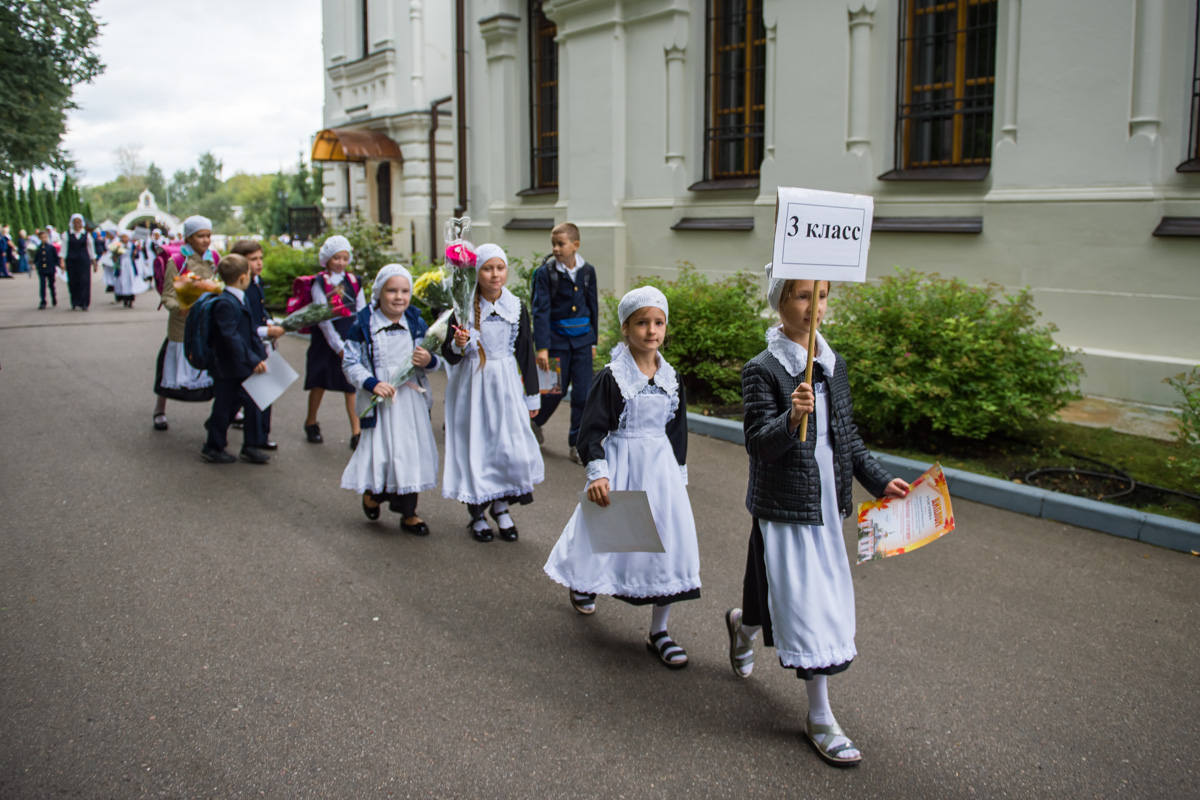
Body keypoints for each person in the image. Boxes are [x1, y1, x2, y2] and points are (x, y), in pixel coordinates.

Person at [725, 265, 910, 768]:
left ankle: (743, 625)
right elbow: (758, 446)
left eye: (822, 296)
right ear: (779, 302)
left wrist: (877, 479)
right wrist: (791, 418)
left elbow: (847, 439)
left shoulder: (833, 363)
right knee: (808, 607)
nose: (815, 307)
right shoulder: (763, 368)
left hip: (827, 501)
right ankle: (821, 717)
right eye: (803, 296)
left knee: (800, 599)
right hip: (784, 503)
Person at [543, 287, 699, 668]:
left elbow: (677, 430)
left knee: (666, 541)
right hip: (621, 466)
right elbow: (590, 430)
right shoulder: (612, 378)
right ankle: (583, 583)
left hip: (659, 470)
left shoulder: (671, 377)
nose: (651, 331)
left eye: (658, 322)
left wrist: (679, 475)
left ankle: (659, 630)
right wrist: (598, 471)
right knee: (605, 537)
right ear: (626, 329)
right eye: (642, 323)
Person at [441, 243, 544, 542]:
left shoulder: (516, 306)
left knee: (508, 446)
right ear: (476, 272)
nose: (494, 274)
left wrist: (532, 396)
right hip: (472, 385)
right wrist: (459, 344)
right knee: (478, 446)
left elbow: (526, 351)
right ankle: (477, 513)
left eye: (500, 268)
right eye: (487, 268)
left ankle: (501, 506)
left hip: (506, 384)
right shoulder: (461, 307)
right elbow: (450, 356)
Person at [341, 264, 440, 534]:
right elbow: (350, 363)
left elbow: (436, 360)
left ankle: (409, 512)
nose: (399, 297)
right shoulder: (363, 325)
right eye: (392, 291)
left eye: (405, 291)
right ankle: (374, 493)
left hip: (410, 401)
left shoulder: (416, 323)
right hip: (381, 402)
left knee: (408, 452)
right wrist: (372, 383)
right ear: (378, 293)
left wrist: (429, 360)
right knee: (383, 451)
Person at [530, 222, 599, 463]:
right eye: (553, 244)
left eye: (561, 244)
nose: (556, 248)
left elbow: (592, 307)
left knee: (583, 394)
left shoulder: (587, 271)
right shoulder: (545, 274)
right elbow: (540, 311)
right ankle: (534, 422)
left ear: (575, 245)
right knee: (552, 391)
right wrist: (542, 348)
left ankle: (577, 445)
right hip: (556, 342)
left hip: (582, 342)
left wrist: (593, 342)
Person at [200, 254, 271, 464]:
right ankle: (213, 445)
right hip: (227, 367)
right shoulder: (225, 303)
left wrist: (259, 354)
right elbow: (230, 337)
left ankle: (251, 444)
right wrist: (252, 359)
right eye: (249, 273)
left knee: (250, 403)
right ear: (242, 278)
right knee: (225, 406)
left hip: (241, 364)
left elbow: (249, 332)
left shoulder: (239, 298)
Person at [152, 215, 219, 430]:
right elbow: (167, 294)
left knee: (217, 368)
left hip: (208, 323)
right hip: (183, 326)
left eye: (208, 235)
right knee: (170, 368)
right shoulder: (177, 261)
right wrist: (180, 309)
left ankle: (227, 410)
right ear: (188, 238)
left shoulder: (214, 258)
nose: (206, 240)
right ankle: (160, 409)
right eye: (200, 236)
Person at [303, 234, 366, 449]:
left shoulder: (354, 281)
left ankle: (356, 432)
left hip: (349, 336)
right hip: (327, 339)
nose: (340, 263)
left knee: (351, 384)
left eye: (344, 258)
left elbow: (361, 311)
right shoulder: (320, 282)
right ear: (327, 259)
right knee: (320, 381)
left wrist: (360, 337)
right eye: (336, 258)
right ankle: (311, 421)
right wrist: (337, 345)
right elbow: (322, 318)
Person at [230, 239, 284, 449]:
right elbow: (244, 321)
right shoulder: (241, 288)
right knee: (249, 395)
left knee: (265, 392)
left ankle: (262, 436)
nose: (259, 263)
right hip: (249, 346)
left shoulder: (256, 281)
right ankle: (228, 427)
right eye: (253, 259)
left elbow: (259, 311)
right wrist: (266, 330)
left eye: (260, 258)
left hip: (261, 342)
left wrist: (269, 321)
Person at [60, 214, 97, 310]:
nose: (77, 224)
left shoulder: (86, 235)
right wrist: (62, 262)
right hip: (72, 261)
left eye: (79, 222)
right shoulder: (67, 234)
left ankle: (84, 302)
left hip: (84, 261)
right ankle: (75, 301)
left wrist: (94, 261)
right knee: (73, 281)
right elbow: (63, 249)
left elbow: (91, 249)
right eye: (75, 222)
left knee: (84, 281)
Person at [32, 229, 59, 309]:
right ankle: (43, 301)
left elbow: (55, 258)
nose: (44, 239)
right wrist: (35, 264)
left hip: (50, 269)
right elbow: (36, 258)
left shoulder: (51, 248)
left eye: (45, 237)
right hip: (42, 269)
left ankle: (53, 297)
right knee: (42, 285)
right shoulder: (38, 248)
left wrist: (57, 266)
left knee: (51, 285)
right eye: (42, 237)